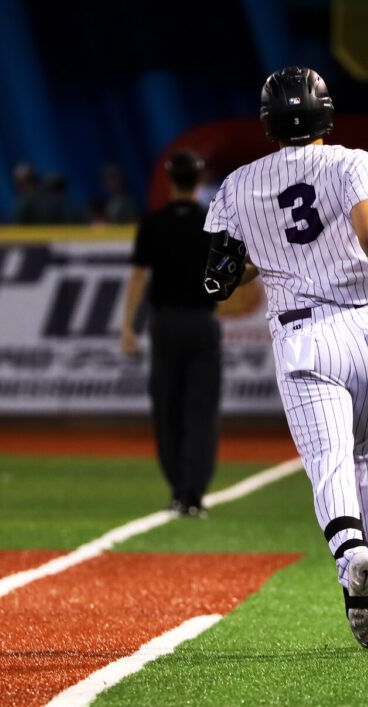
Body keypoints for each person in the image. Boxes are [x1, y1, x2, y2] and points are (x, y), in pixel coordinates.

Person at [202, 66, 368, 649]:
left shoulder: (239, 183)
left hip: (304, 336)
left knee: (328, 460)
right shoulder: (351, 161)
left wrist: (237, 271)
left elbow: (222, 277)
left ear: (267, 120)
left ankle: (352, 556)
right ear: (326, 112)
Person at [120, 150, 218, 516]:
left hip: (165, 324)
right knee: (201, 411)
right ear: (199, 179)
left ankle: (179, 489)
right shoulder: (211, 221)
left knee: (168, 407)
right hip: (202, 324)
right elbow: (232, 273)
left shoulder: (154, 222)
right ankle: (194, 493)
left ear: (170, 179)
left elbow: (137, 277)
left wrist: (128, 326)